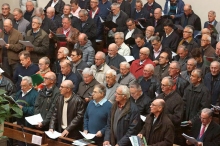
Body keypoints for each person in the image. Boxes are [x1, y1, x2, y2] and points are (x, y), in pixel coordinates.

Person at [157, 76, 184, 145]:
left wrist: (163, 116)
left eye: (164, 85)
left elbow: (178, 118)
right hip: (158, 129)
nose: (161, 87)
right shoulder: (160, 96)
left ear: (170, 86)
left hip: (171, 132)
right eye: (161, 84)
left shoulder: (177, 99)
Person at [14, 76, 39, 146]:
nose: (22, 88)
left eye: (24, 86)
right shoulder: (19, 93)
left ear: (30, 85)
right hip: (19, 122)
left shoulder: (35, 95)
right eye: (21, 86)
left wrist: (23, 108)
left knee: (29, 143)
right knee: (20, 142)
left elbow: (35, 110)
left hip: (29, 125)